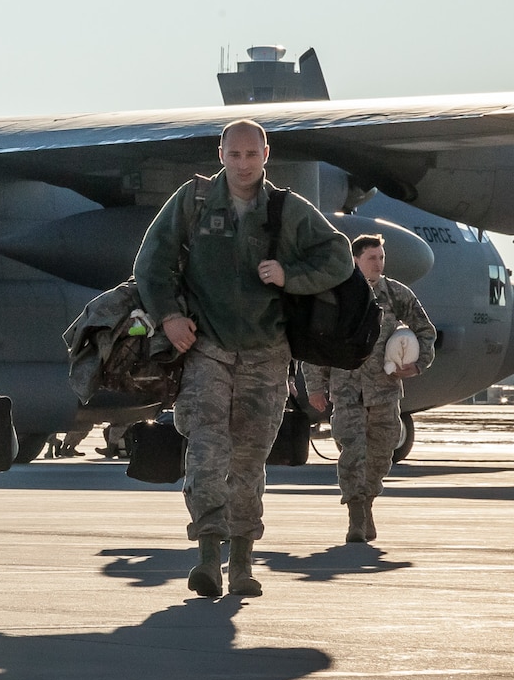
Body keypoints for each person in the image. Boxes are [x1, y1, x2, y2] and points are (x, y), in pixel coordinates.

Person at [134, 119, 353, 598]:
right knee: (207, 455)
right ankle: (208, 558)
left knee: (249, 461)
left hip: (266, 355)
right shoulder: (192, 203)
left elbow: (339, 257)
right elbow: (151, 263)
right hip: (207, 350)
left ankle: (242, 564)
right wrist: (169, 316)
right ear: (221, 154)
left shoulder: (286, 210)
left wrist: (289, 274)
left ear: (266, 154)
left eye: (251, 154)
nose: (243, 164)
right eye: (234, 155)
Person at [305, 235, 437, 543]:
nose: (378, 263)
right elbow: (316, 343)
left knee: (379, 457)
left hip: (385, 392)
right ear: (356, 261)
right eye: (371, 258)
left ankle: (367, 504)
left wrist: (418, 364)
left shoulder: (395, 294)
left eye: (381, 258)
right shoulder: (336, 295)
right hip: (346, 392)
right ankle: (356, 518)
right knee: (353, 455)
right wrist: (315, 386)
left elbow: (424, 330)